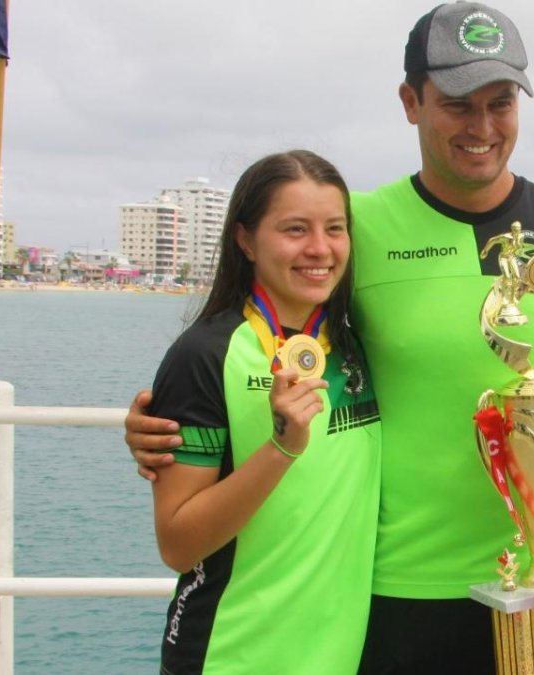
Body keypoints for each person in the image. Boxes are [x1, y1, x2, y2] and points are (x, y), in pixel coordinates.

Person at [127, 4, 534, 673]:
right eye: (459, 104)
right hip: (406, 596)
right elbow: (261, 331)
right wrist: (165, 425)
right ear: (411, 102)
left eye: (501, 103)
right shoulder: (357, 229)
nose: (483, 127)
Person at [145, 150, 380, 674]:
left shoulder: (353, 344)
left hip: (337, 655)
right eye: (294, 230)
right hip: (233, 652)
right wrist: (281, 448)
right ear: (246, 239)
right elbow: (178, 544)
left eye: (335, 229)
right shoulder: (204, 355)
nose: (319, 249)